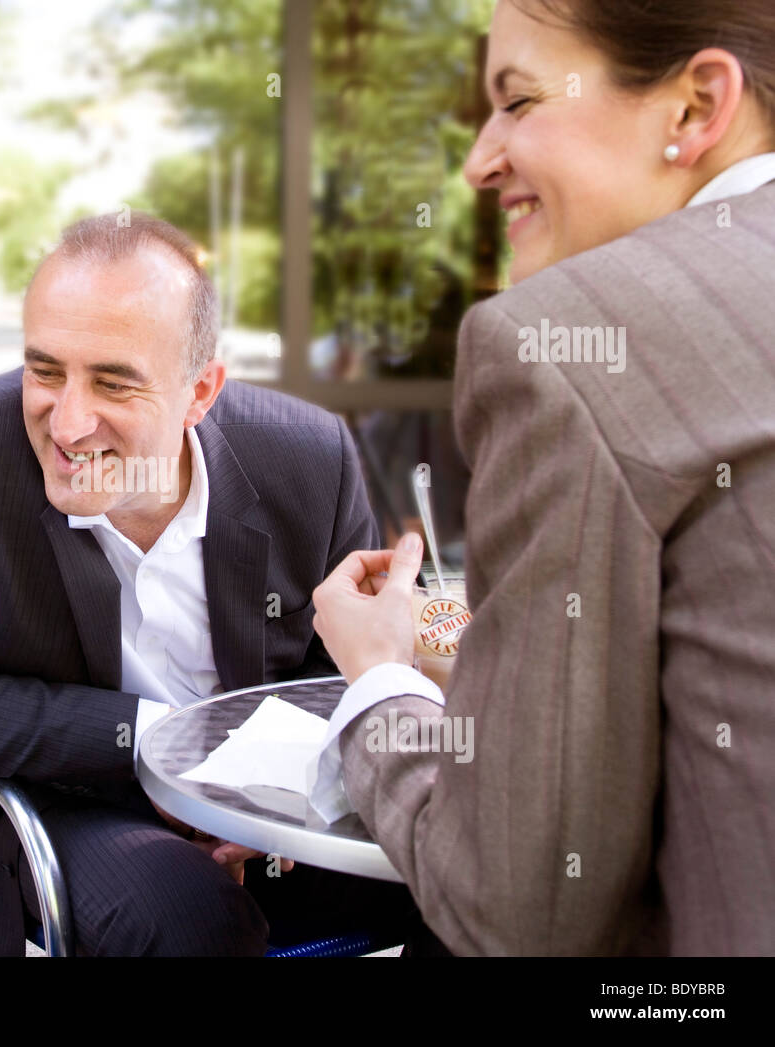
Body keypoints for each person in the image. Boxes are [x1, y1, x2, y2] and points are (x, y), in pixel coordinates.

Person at [308, 0, 775, 955]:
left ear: (695, 107)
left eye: (518, 101)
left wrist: (379, 682)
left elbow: (514, 910)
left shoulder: (568, 342)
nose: (480, 160)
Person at [0, 212, 420, 955]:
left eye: (114, 382)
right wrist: (160, 735)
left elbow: (332, 672)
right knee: (187, 912)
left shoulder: (310, 455)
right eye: (45, 370)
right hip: (72, 801)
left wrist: (271, 796)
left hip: (279, 800)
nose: (67, 423)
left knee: (479, 855)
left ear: (201, 391)